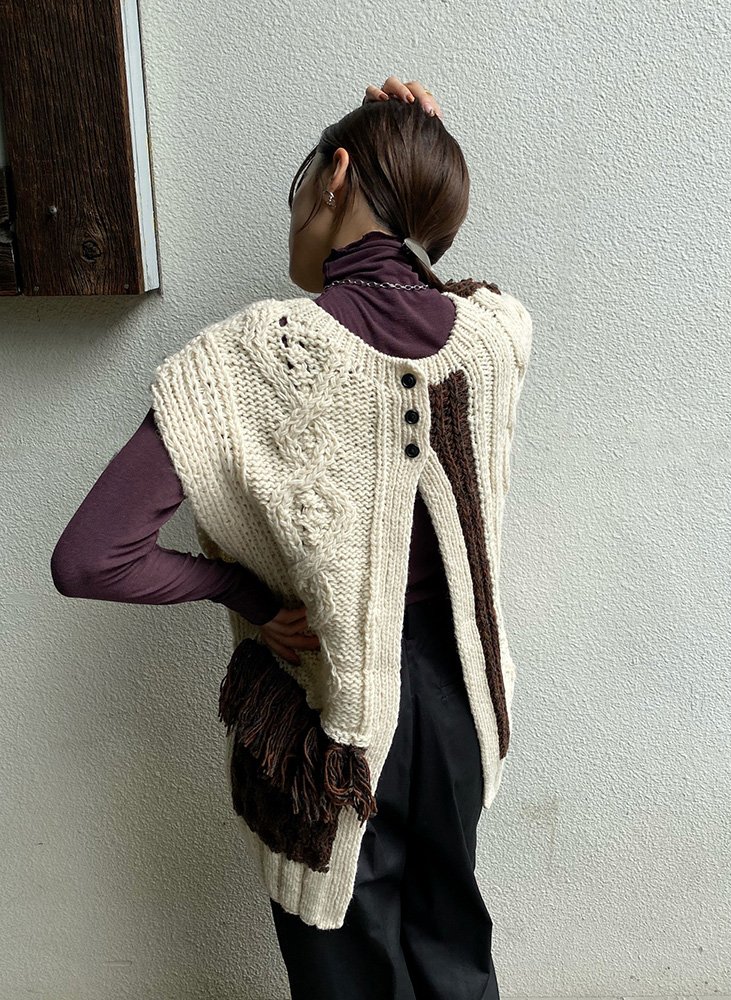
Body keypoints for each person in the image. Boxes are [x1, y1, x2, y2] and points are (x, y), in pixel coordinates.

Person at [51, 75, 533, 1000]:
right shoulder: (492, 342)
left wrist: (246, 595)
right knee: (455, 965)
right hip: (461, 717)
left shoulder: (242, 360)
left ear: (334, 175)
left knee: (343, 977)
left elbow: (89, 557)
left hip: (327, 737)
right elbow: (463, 294)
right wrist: (419, 163)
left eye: (303, 183)